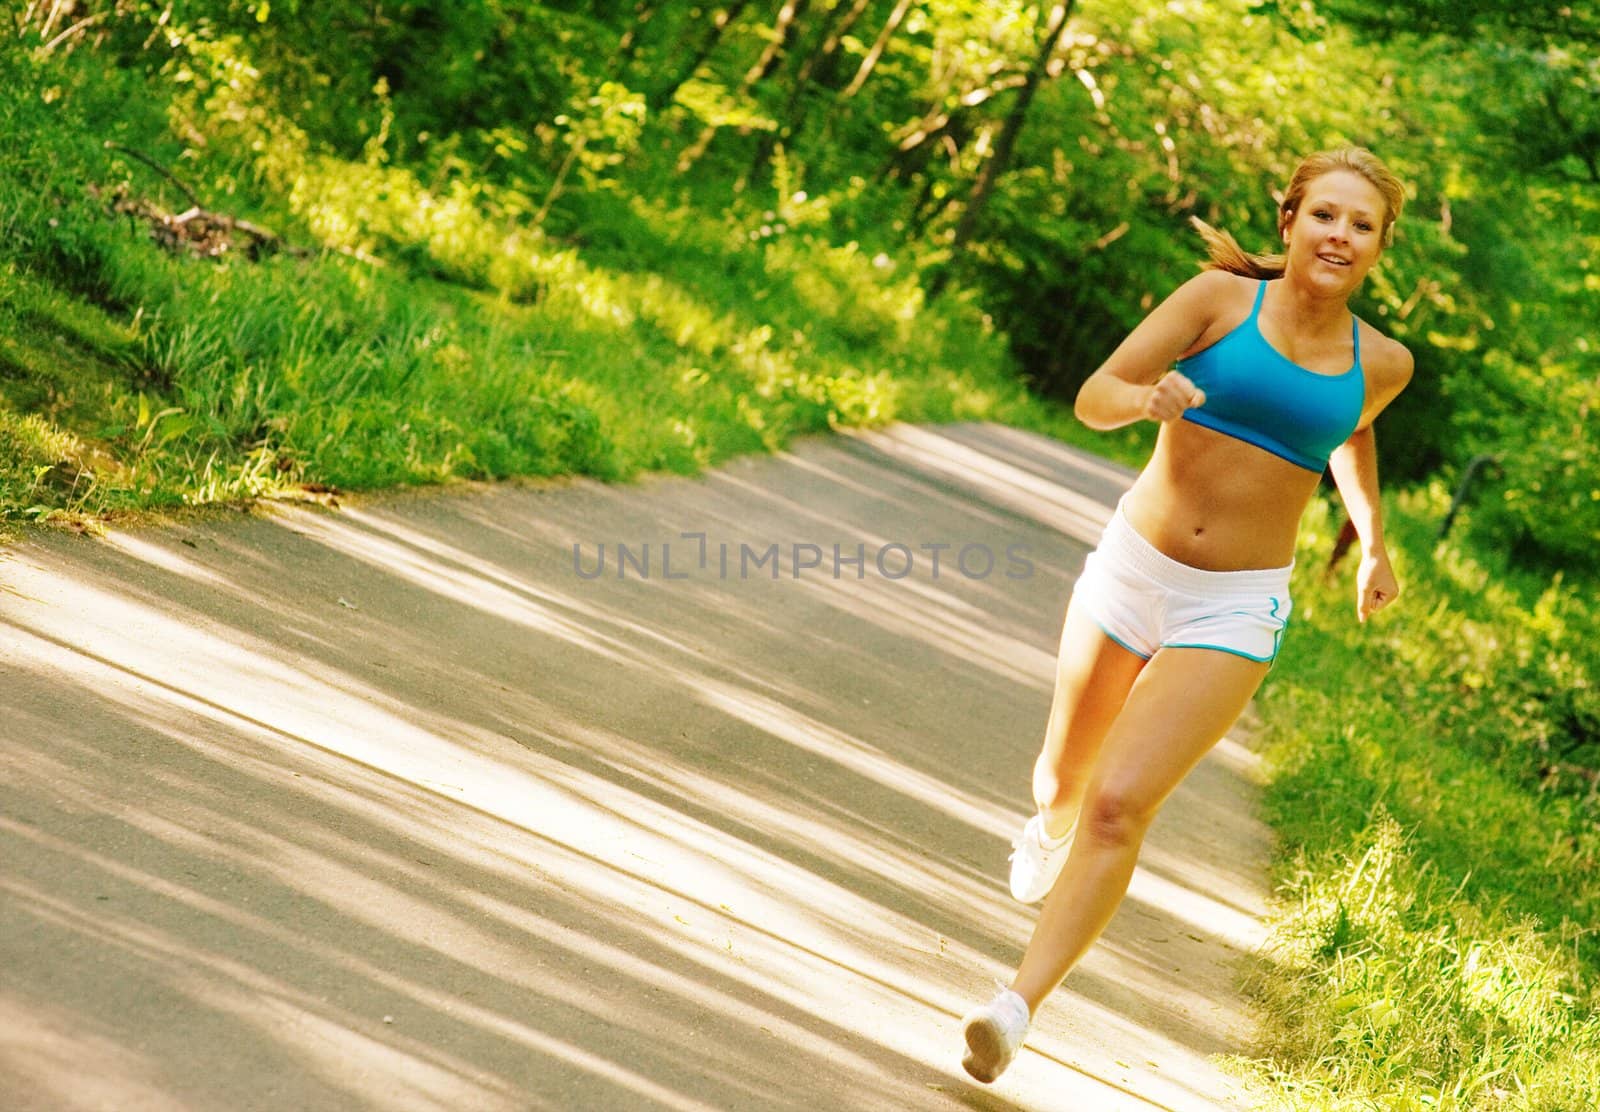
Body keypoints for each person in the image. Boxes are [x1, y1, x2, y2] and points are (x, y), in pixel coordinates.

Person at [959, 146, 1414, 1084]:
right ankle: (1046, 828)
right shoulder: (1215, 302)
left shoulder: (1386, 362)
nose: (1340, 235)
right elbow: (1096, 396)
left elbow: (1350, 430)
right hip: (1133, 568)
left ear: (1378, 248)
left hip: (1237, 604)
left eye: (1361, 225)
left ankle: (1016, 1007)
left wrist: (1371, 540)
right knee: (1063, 783)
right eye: (1325, 215)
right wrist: (1147, 399)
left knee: (1122, 806)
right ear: (1290, 222)